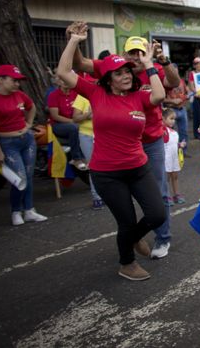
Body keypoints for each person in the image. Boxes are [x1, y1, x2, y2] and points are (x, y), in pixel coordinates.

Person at [58, 28, 166, 281]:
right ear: (108, 78)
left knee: (157, 214)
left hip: (139, 168)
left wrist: (149, 64)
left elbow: (160, 95)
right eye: (119, 73)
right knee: (126, 221)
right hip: (108, 173)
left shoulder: (138, 96)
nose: (126, 75)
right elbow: (64, 72)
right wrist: (73, 41)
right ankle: (126, 263)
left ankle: (134, 238)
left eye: (127, 71)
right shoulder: (96, 93)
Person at [0, 65, 47, 226]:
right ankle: (16, 210)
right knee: (19, 178)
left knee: (28, 175)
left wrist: (28, 124)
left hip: (27, 140)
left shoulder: (20, 95)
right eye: (14, 80)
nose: (17, 84)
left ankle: (29, 210)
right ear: (1, 79)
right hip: (8, 143)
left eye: (18, 81)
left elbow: (31, 106)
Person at [71, 81, 105, 210]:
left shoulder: (105, 95)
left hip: (103, 135)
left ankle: (107, 195)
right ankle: (97, 197)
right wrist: (87, 115)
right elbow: (75, 118)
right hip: (87, 135)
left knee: (107, 165)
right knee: (94, 166)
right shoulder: (81, 97)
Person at [47, 77, 88, 170]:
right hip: (57, 124)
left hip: (75, 122)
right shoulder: (53, 95)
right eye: (62, 79)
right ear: (58, 82)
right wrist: (73, 121)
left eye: (67, 79)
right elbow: (55, 116)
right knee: (74, 128)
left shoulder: (77, 94)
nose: (65, 82)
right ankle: (76, 158)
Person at [163, 64, 190, 152]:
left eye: (175, 70)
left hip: (182, 109)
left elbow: (186, 92)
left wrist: (187, 95)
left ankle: (183, 151)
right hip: (171, 110)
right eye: (172, 70)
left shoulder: (181, 81)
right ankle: (174, 151)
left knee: (184, 132)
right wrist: (172, 101)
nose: (174, 72)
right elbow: (161, 98)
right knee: (171, 133)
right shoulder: (165, 83)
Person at [162, 108, 185, 205]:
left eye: (174, 119)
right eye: (171, 118)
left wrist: (180, 145)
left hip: (174, 158)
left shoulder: (174, 132)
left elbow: (174, 144)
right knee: (166, 178)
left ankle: (176, 195)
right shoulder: (162, 131)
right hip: (166, 158)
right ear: (163, 118)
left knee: (175, 177)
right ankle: (166, 196)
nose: (173, 121)